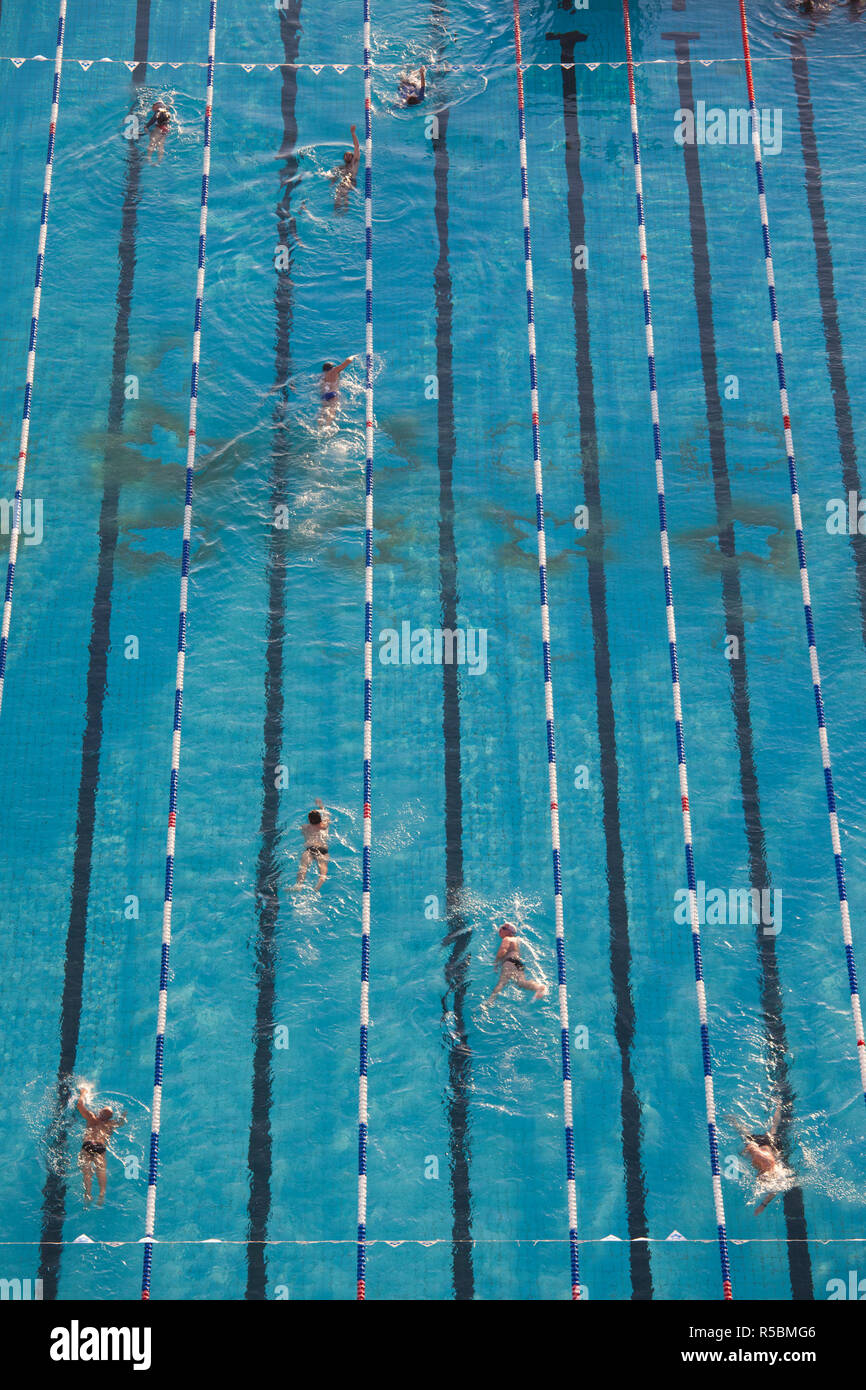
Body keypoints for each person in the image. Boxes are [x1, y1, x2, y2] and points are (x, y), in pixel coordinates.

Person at [731, 1104, 794, 1215]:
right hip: (764, 1144)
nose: (758, 1179)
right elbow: (751, 1147)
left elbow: (775, 1190)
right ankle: (733, 1120)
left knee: (773, 1128)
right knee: (746, 1135)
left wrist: (763, 1205)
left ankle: (778, 1107)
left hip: (769, 1147)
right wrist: (743, 1153)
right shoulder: (760, 1160)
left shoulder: (774, 1171)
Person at [77, 1086, 126, 1206]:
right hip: (100, 1146)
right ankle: (102, 1192)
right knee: (101, 1169)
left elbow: (79, 1105)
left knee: (86, 1170)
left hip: (88, 1144)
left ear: (100, 1112)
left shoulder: (92, 1117)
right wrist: (124, 1116)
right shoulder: (110, 1124)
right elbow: (121, 1123)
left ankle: (88, 1193)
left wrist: (83, 1092)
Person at [486, 922, 547, 1007]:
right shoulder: (517, 942)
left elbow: (503, 950)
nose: (500, 929)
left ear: (510, 932)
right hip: (518, 963)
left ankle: (488, 1003)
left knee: (501, 983)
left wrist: (496, 962)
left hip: (509, 962)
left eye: (503, 928)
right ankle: (538, 987)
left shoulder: (507, 938)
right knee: (521, 983)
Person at [294, 798, 332, 891]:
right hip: (322, 849)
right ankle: (320, 881)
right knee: (323, 867)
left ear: (309, 820)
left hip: (310, 849)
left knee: (303, 868)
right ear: (320, 819)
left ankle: (298, 885)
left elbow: (303, 834)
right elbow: (328, 814)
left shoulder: (305, 827)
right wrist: (321, 806)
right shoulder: (324, 825)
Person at [330, 124, 360, 213]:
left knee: (341, 191)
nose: (347, 156)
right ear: (343, 158)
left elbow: (357, 147)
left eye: (350, 155)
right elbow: (335, 176)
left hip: (351, 181)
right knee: (338, 194)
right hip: (345, 182)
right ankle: (338, 211)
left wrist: (353, 133)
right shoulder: (340, 167)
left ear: (353, 157)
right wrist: (332, 181)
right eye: (346, 155)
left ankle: (344, 210)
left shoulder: (354, 163)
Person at [318, 357, 354, 427]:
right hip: (333, 394)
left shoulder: (322, 376)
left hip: (324, 396)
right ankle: (327, 426)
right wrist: (353, 356)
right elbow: (348, 361)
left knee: (323, 410)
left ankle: (319, 426)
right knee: (332, 411)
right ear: (332, 367)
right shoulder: (334, 371)